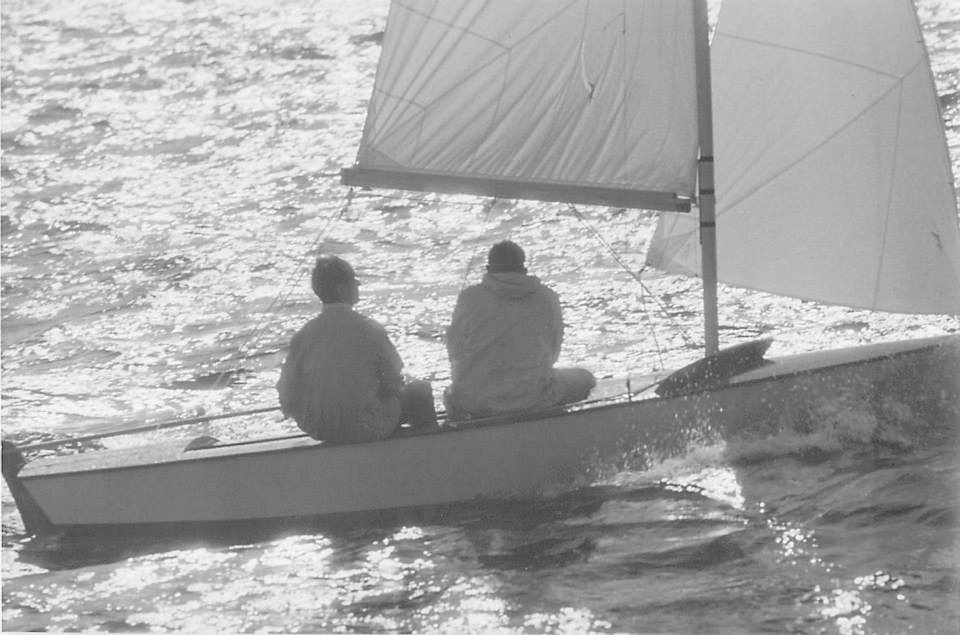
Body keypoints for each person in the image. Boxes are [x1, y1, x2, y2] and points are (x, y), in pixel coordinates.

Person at [277, 256, 436, 443]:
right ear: (342, 289)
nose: (358, 284)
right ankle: (427, 452)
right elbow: (394, 378)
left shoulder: (304, 335)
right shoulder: (368, 328)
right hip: (363, 427)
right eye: (354, 280)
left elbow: (286, 390)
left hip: (319, 428)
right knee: (420, 391)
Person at [444, 240, 596, 420]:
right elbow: (553, 353)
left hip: (476, 402)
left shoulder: (470, 298)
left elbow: (454, 351)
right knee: (585, 378)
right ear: (524, 269)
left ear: (488, 269)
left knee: (451, 393)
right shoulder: (547, 297)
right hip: (534, 398)